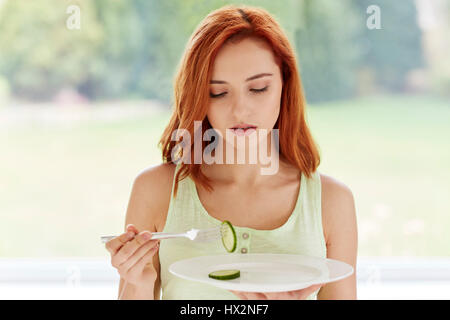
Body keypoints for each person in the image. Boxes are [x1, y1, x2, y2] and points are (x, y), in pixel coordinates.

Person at [105, 4, 357, 300]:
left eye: (259, 88)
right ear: (199, 96)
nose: (240, 110)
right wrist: (138, 283)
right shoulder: (156, 191)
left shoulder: (332, 202)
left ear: (284, 86)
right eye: (218, 93)